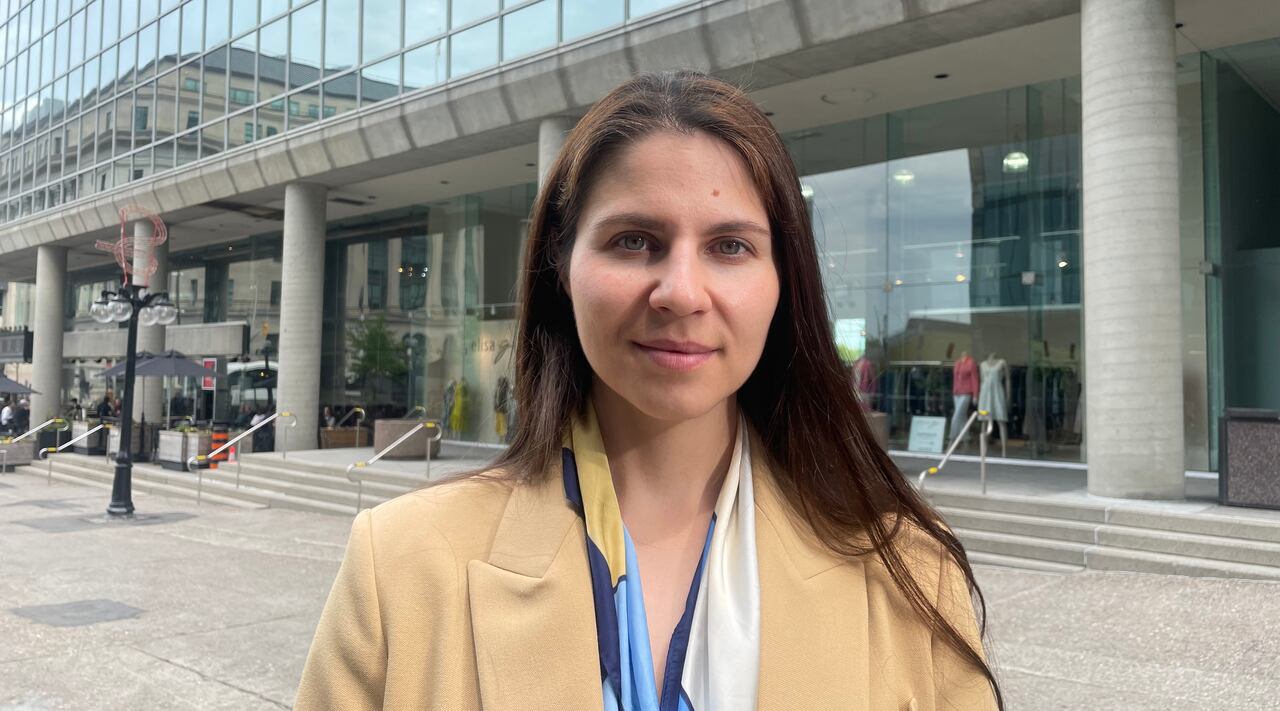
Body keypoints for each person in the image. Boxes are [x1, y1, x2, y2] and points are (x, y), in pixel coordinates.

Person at [295, 71, 1000, 710]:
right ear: (562, 267)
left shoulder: (911, 571)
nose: (682, 293)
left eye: (730, 246)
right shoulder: (403, 567)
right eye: (634, 240)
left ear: (784, 284)